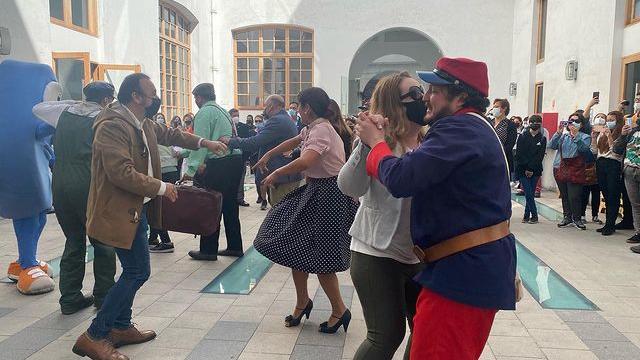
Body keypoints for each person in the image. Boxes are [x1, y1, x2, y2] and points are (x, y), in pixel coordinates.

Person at [356, 57, 516, 359]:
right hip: (465, 268)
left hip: (462, 273)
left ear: (460, 97)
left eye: (434, 90)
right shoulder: (471, 128)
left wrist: (377, 143)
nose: (426, 97)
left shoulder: (459, 130)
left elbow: (402, 178)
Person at [71, 73, 226, 359]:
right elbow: (120, 172)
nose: (156, 97)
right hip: (116, 211)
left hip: (135, 209)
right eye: (152, 93)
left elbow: (172, 134)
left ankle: (120, 326)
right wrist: (162, 186)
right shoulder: (112, 126)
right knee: (137, 271)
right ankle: (94, 334)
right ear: (136, 97)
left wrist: (206, 143)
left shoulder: (141, 121)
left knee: (135, 270)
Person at [253, 87, 358, 334]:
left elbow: (307, 160)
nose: (297, 111)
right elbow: (296, 140)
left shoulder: (322, 129)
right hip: (316, 192)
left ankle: (339, 310)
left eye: (298, 106)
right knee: (293, 245)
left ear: (307, 108)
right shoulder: (313, 127)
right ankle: (303, 302)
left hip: (330, 196)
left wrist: (277, 172)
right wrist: (269, 154)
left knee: (322, 258)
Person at [338, 72, 424, 360]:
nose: (421, 99)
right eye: (413, 94)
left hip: (418, 255)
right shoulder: (380, 143)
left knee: (424, 329)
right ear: (394, 103)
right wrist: (367, 144)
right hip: (375, 251)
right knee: (385, 336)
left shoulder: (430, 142)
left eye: (422, 92)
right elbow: (350, 185)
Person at [33, 81, 118, 314]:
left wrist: (75, 102)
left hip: (60, 183)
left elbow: (38, 108)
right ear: (106, 100)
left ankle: (70, 299)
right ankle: (104, 297)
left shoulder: (64, 112)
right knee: (103, 242)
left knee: (73, 239)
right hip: (88, 182)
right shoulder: (105, 118)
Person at [1, 60, 57, 296]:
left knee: (38, 218)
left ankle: (25, 260)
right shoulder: (22, 123)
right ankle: (27, 265)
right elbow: (44, 130)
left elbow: (46, 140)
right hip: (23, 177)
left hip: (37, 175)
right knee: (26, 217)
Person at [183, 83, 245, 260]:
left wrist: (191, 169)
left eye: (195, 98)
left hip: (220, 163)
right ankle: (235, 246)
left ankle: (208, 250)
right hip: (234, 160)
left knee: (211, 204)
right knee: (230, 206)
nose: (195, 101)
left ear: (199, 98)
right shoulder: (222, 111)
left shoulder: (204, 112)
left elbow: (200, 142)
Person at [221, 95, 303, 208]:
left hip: (281, 176)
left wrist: (230, 141)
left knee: (281, 213)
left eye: (265, 106)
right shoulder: (286, 119)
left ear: (271, 107)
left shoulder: (277, 121)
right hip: (286, 174)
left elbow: (254, 142)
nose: (264, 110)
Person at [549, 112, 592, 230]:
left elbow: (584, 150)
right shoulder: (563, 136)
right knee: (565, 195)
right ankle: (567, 217)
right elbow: (552, 145)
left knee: (574, 196)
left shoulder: (585, 137)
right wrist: (558, 132)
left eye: (576, 121)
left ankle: (577, 218)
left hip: (576, 169)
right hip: (560, 167)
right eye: (570, 120)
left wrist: (576, 136)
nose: (573, 123)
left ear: (582, 124)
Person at [148, 113, 182, 252]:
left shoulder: (148, 132)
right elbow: (176, 152)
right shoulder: (164, 133)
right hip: (171, 170)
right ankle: (153, 239)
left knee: (156, 208)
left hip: (160, 172)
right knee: (159, 206)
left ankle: (166, 241)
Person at [591, 111, 624, 236]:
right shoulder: (602, 133)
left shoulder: (620, 133)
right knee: (605, 193)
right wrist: (594, 137)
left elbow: (616, 153)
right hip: (601, 163)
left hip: (613, 164)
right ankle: (607, 223)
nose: (609, 122)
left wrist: (610, 137)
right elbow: (595, 150)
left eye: (612, 119)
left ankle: (610, 225)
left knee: (613, 195)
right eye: (608, 119)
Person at [514, 114, 546, 224]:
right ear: (529, 123)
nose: (534, 124)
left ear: (541, 124)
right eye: (532, 122)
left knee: (531, 193)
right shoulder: (522, 136)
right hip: (522, 169)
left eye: (537, 122)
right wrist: (527, 168)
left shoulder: (542, 138)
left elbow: (540, 156)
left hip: (535, 170)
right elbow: (519, 154)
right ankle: (535, 215)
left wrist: (531, 168)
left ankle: (527, 215)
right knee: (527, 192)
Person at [491, 99, 518, 182]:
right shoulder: (489, 122)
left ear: (504, 109)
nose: (493, 109)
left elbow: (509, 145)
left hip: (502, 160)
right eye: (493, 107)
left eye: (496, 107)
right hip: (487, 159)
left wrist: (496, 154)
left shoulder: (510, 125)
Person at [229, 108, 251, 207]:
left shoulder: (244, 127)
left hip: (241, 157)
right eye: (234, 115)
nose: (236, 117)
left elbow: (248, 142)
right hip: (229, 158)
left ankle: (240, 198)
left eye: (237, 115)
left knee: (241, 179)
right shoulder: (226, 127)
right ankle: (231, 198)